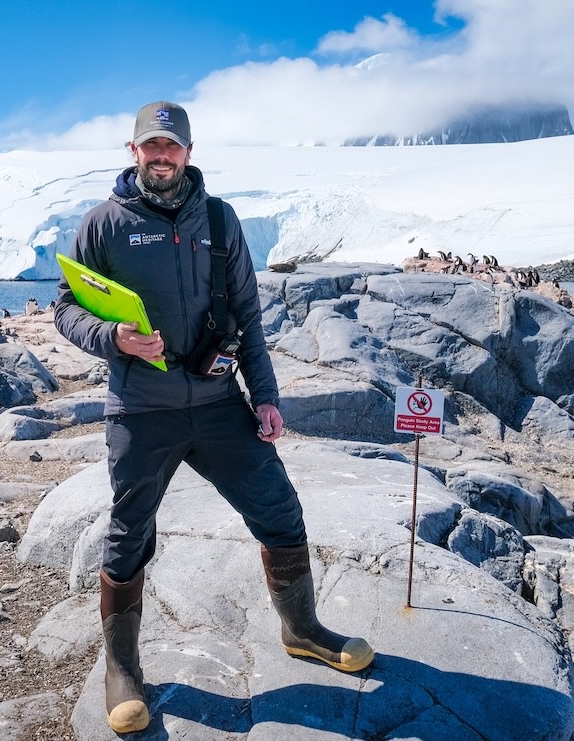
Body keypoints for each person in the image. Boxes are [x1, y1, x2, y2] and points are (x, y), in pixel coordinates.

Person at [54, 101, 373, 734]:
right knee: (128, 534)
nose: (161, 157)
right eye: (151, 147)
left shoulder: (221, 222)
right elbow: (66, 309)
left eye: (171, 147)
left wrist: (268, 397)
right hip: (143, 412)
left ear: (189, 153)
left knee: (279, 510)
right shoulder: (103, 225)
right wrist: (112, 336)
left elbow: (249, 319)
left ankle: (302, 629)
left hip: (222, 404)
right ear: (133, 151)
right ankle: (123, 668)